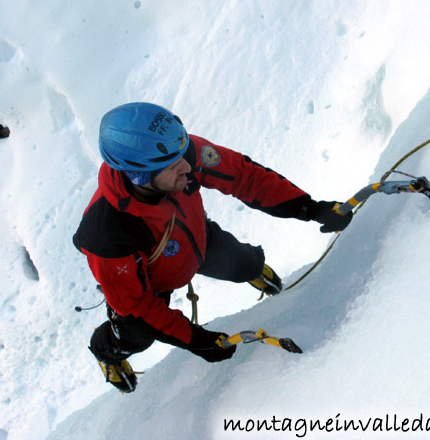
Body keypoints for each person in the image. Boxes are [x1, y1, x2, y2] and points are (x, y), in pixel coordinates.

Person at [72, 102, 352, 392]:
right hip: (148, 286)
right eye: (173, 165)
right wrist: (195, 339)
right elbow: (139, 305)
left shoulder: (178, 151)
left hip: (196, 239)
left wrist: (308, 207)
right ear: (140, 176)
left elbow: (244, 177)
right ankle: (107, 351)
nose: (188, 166)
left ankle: (254, 269)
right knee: (137, 335)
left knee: (244, 263)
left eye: (183, 154)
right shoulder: (107, 232)